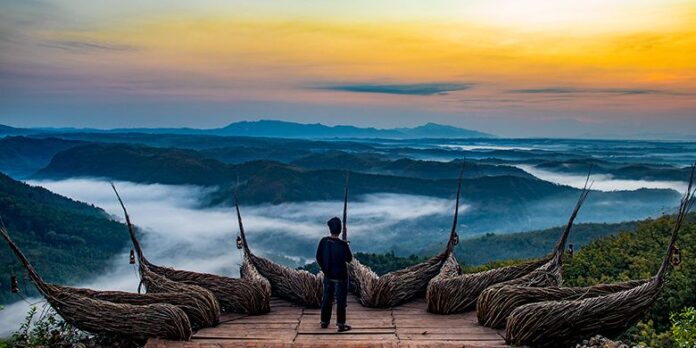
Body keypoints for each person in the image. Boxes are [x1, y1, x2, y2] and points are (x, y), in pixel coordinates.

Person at [316, 216, 353, 332]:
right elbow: (349, 259)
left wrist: (325, 269)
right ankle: (341, 324)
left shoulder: (323, 241)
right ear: (340, 230)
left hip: (328, 275)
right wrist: (346, 245)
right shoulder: (343, 245)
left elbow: (318, 257)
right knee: (341, 300)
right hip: (341, 277)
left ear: (330, 229)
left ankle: (324, 322)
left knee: (327, 298)